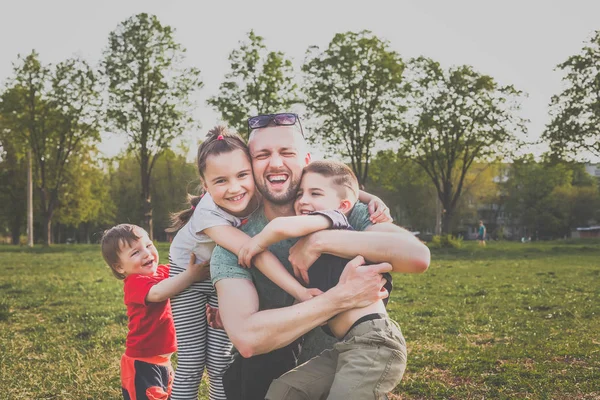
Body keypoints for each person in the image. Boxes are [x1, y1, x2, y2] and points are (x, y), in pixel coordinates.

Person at [208, 113, 431, 399]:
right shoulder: (233, 242)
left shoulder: (348, 211)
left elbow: (418, 257)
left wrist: (321, 241)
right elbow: (248, 339)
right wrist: (340, 297)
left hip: (355, 361)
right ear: (249, 166)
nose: (276, 163)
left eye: (287, 152)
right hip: (274, 380)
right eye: (262, 155)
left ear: (306, 160)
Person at [168, 124, 390, 399]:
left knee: (220, 357)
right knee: (191, 358)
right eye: (221, 181)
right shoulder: (212, 218)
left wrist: (370, 197)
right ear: (206, 186)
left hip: (218, 275)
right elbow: (255, 252)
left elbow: (337, 181)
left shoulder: (268, 191)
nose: (234, 187)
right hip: (185, 272)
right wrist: (305, 293)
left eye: (242, 175)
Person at [237, 160, 408, 399]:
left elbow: (282, 226)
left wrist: (259, 240)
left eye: (314, 193)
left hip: (374, 343)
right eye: (299, 194)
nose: (303, 200)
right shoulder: (307, 249)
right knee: (284, 391)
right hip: (345, 346)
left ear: (343, 205)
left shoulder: (335, 222)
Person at [100, 223, 209, 400]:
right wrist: (190, 276)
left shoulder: (163, 271)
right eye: (135, 253)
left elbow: (179, 276)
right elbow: (158, 293)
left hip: (164, 361)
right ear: (120, 267)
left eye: (149, 245)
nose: (146, 253)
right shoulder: (134, 282)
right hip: (142, 363)